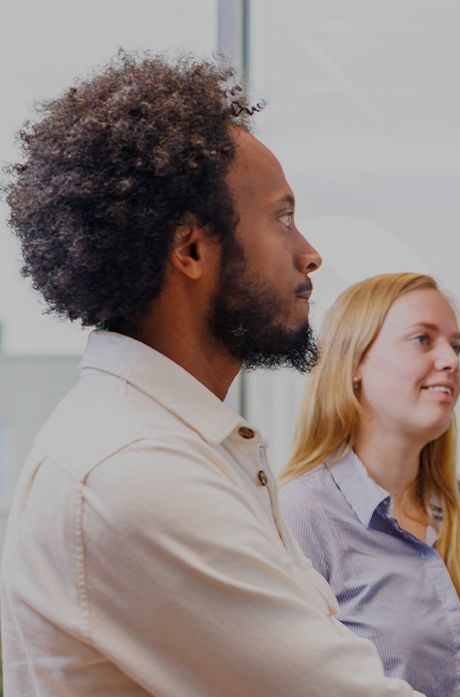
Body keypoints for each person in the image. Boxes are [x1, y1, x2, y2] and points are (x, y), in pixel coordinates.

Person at [0, 52, 420, 696]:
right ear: (192, 249)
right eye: (282, 218)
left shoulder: (170, 443)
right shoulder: (134, 469)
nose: (310, 254)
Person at [280, 272, 460, 696]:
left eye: (456, 346)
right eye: (422, 340)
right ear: (355, 364)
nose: (450, 361)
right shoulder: (301, 513)